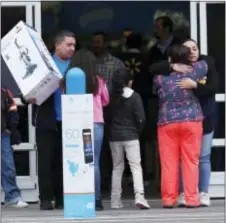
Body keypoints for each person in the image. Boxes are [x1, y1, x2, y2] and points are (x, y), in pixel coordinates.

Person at [149, 39, 217, 207]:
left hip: (167, 123)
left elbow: (152, 80)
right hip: (191, 121)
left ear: (170, 59)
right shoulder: (196, 70)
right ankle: (192, 199)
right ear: (187, 57)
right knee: (191, 161)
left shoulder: (159, 78)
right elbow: (209, 62)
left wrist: (170, 65)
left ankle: (169, 199)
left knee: (169, 162)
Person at [21, 30, 76, 210]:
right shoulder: (43, 65)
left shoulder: (75, 66)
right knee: (45, 160)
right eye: (68, 45)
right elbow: (25, 92)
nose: (72, 48)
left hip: (69, 121)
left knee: (64, 161)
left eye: (74, 45)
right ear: (57, 45)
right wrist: (28, 98)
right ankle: (45, 199)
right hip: (46, 120)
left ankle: (61, 199)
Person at [68, 49, 109, 211]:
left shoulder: (68, 79)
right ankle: (96, 199)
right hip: (95, 123)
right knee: (94, 162)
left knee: (76, 160)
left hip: (76, 125)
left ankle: (77, 195)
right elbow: (106, 100)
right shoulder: (98, 80)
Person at [108, 68, 150, 210]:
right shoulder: (135, 96)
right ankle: (140, 196)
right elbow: (141, 118)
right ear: (130, 82)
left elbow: (107, 117)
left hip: (114, 136)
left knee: (117, 167)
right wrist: (138, 131)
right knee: (135, 166)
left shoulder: (110, 96)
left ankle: (115, 200)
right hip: (131, 135)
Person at [92, 31, 125, 191]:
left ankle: (108, 182)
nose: (96, 45)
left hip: (112, 110)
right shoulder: (89, 63)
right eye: (94, 42)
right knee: (97, 150)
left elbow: (123, 86)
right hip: (94, 111)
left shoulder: (117, 63)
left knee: (111, 147)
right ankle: (100, 183)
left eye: (98, 42)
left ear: (105, 43)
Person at [1, 87, 28, 208]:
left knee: (8, 166)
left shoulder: (4, 91)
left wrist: (10, 128)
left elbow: (13, 110)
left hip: (2, 134)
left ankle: (12, 197)